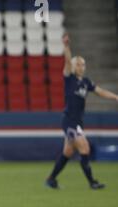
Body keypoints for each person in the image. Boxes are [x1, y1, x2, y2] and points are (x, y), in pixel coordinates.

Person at [46, 34, 118, 190]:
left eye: (83, 64)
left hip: (78, 121)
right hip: (69, 121)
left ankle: (51, 179)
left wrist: (116, 97)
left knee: (67, 153)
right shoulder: (69, 78)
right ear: (72, 66)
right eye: (78, 64)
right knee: (85, 148)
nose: (81, 67)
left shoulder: (86, 82)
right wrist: (66, 47)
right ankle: (92, 182)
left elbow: (100, 92)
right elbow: (67, 61)